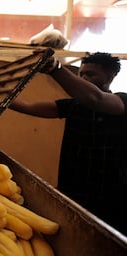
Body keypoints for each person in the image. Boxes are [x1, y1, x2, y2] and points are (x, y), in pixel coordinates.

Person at [10, 51, 127, 235]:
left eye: (91, 74)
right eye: (81, 74)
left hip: (110, 198)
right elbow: (29, 107)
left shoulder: (122, 102)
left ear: (110, 76)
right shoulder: (73, 105)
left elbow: (96, 98)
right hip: (73, 192)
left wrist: (55, 69)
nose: (84, 78)